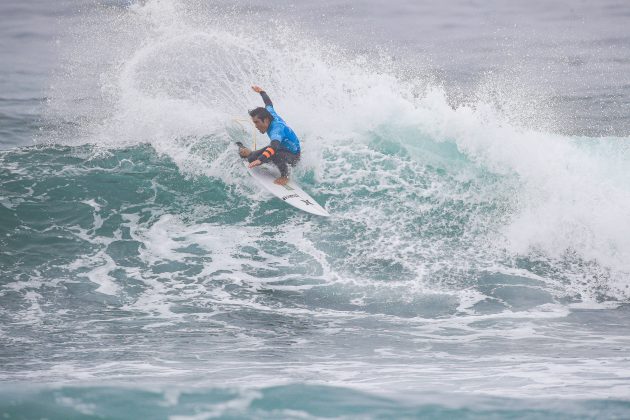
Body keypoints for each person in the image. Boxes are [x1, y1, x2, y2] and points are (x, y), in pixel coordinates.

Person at [237, 85, 301, 185]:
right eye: (254, 122)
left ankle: (285, 176)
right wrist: (262, 92)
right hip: (280, 148)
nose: (256, 126)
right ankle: (249, 152)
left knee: (274, 154)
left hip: (293, 155)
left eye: (257, 122)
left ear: (266, 120)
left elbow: (274, 146)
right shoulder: (269, 113)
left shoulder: (276, 130)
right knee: (251, 159)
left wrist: (261, 159)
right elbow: (268, 103)